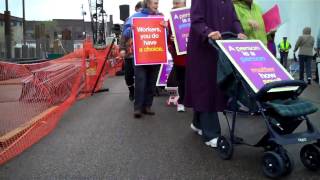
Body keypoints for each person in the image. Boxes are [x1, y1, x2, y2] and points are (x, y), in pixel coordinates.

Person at [185, 0, 246, 147]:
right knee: (206, 87)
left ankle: (198, 123)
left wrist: (240, 32)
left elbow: (234, 19)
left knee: (215, 86)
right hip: (203, 49)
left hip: (221, 47)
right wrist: (207, 31)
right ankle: (211, 134)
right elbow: (196, 19)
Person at [123, 0, 162, 118]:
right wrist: (132, 29)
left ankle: (147, 106)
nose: (157, 5)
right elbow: (125, 33)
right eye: (155, 3)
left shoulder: (160, 17)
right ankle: (138, 108)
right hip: (141, 56)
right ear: (148, 4)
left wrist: (166, 28)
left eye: (157, 3)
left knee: (151, 83)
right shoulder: (135, 17)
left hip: (155, 55)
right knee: (140, 82)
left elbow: (165, 35)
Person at [120, 1, 144, 101]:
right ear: (136, 9)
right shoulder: (129, 21)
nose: (142, 12)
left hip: (142, 55)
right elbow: (123, 36)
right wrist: (122, 49)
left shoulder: (148, 19)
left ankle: (141, 96)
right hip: (130, 54)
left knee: (141, 77)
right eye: (140, 9)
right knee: (128, 76)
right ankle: (131, 90)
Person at [167, 0, 187, 112]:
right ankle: (181, 102)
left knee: (193, 81)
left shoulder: (194, 17)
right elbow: (168, 40)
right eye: (174, 3)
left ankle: (191, 101)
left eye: (177, 3)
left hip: (194, 57)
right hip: (179, 58)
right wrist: (171, 42)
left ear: (184, 4)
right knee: (180, 81)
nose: (174, 6)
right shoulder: (170, 21)